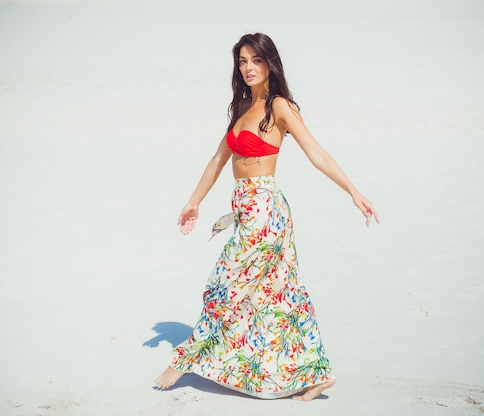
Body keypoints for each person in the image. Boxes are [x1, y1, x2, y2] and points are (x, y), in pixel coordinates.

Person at [154, 33, 379, 401]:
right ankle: (317, 373)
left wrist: (354, 191)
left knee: (223, 284)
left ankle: (183, 360)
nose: (247, 68)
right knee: (281, 295)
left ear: (269, 63)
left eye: (255, 60)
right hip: (245, 211)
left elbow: (316, 152)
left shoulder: (280, 107)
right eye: (242, 61)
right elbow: (217, 160)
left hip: (266, 212)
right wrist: (194, 201)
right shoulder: (242, 106)